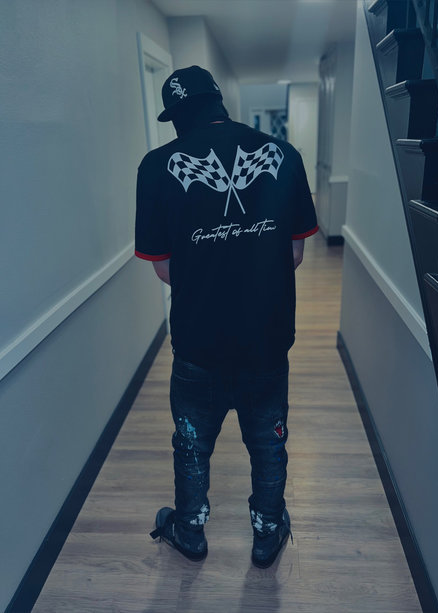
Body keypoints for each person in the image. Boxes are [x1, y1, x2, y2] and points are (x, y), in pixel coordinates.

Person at [135, 65, 318, 568]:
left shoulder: (156, 167)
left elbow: (164, 268)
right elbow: (295, 254)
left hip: (198, 343)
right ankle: (266, 534)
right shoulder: (283, 155)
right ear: (219, 102)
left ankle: (190, 531)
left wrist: (210, 274)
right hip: (266, 338)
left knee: (192, 445)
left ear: (177, 117)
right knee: (268, 444)